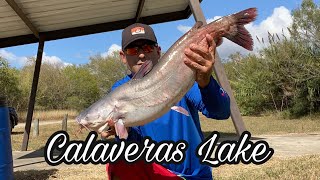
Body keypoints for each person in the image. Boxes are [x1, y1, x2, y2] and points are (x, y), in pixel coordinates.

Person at [102, 23, 230, 180]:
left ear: (158, 50)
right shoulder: (119, 90)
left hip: (193, 175)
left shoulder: (182, 75)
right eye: (133, 50)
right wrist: (121, 133)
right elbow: (131, 145)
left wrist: (206, 81)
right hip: (153, 173)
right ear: (123, 56)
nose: (141, 55)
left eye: (147, 47)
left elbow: (221, 112)